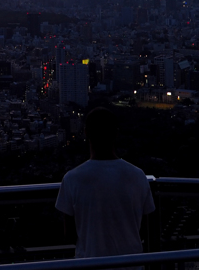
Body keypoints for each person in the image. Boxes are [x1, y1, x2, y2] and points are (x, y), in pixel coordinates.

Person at [55, 107, 155, 259]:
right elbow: (146, 229)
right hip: (131, 264)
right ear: (116, 133)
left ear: (86, 133)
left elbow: (69, 234)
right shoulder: (138, 176)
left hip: (90, 263)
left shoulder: (71, 179)